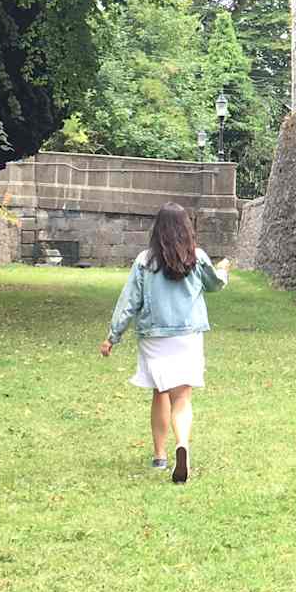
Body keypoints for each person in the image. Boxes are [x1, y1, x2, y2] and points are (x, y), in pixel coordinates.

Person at [99, 202, 229, 484]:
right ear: (187, 228)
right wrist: (225, 270)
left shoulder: (145, 261)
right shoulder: (197, 257)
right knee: (182, 397)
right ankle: (182, 445)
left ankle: (160, 456)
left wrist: (112, 336)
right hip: (188, 336)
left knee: (160, 392)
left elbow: (129, 302)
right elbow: (215, 284)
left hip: (155, 337)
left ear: (157, 229)